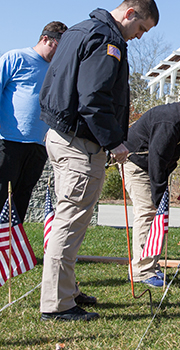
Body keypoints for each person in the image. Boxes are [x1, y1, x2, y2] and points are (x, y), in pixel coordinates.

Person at [39, 0, 159, 322]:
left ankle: (66, 289)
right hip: (81, 143)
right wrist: (114, 142)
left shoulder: (79, 30)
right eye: (141, 29)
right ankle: (57, 304)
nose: (138, 36)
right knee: (70, 223)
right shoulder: (108, 39)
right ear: (130, 14)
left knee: (71, 221)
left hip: (61, 135)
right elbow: (94, 98)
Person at [123, 86, 180, 287]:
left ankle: (152, 265)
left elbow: (179, 143)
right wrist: (160, 196)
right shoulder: (170, 121)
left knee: (156, 213)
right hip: (137, 164)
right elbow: (157, 160)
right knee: (149, 212)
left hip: (153, 166)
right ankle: (141, 270)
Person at [0, 21, 67, 222]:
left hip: (39, 145)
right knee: (2, 194)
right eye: (59, 46)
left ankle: (11, 250)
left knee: (22, 198)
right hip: (9, 141)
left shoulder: (56, 70)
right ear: (45, 39)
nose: (60, 52)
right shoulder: (15, 58)